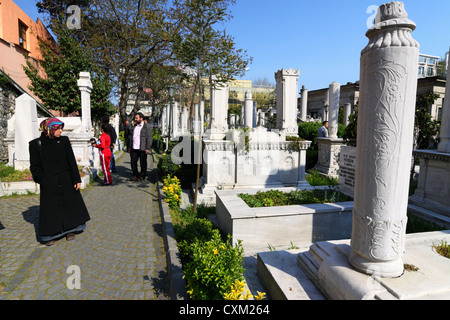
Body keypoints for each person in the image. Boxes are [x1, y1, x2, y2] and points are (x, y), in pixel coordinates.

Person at [29, 118, 90, 246]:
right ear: (49, 129)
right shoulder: (36, 144)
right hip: (49, 182)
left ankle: (70, 230)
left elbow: (71, 161)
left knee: (69, 204)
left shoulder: (64, 141)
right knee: (51, 208)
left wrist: (76, 178)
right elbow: (34, 166)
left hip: (66, 179)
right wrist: (42, 180)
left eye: (61, 128)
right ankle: (50, 234)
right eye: (58, 129)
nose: (61, 131)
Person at [129, 112, 153, 181]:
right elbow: (131, 137)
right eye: (135, 118)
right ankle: (135, 174)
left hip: (142, 148)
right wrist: (130, 146)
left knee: (143, 163)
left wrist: (148, 148)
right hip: (134, 147)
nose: (135, 119)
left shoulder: (146, 126)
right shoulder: (134, 126)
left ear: (141, 118)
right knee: (133, 162)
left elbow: (149, 138)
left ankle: (142, 175)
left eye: (137, 118)